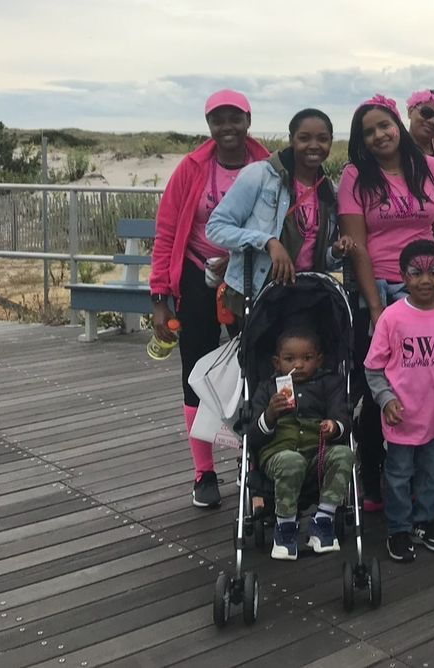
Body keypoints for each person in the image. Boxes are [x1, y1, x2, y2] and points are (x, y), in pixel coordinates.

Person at [149, 88, 269, 509]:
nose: (227, 127)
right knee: (195, 369)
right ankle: (203, 472)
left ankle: (254, 460)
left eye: (235, 118)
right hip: (197, 277)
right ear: (209, 126)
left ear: (248, 121)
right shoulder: (192, 168)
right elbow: (166, 233)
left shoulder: (267, 166)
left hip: (248, 279)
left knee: (256, 366)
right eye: (218, 120)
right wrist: (160, 297)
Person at [339, 95, 434, 510]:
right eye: (368, 132)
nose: (379, 135)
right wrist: (375, 308)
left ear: (398, 125)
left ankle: (419, 473)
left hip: (424, 289)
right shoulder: (356, 175)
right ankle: (373, 476)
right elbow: (359, 247)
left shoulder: (430, 169)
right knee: (377, 388)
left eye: (384, 126)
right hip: (381, 289)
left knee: (423, 380)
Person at [363, 240, 434, 563]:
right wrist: (385, 400)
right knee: (398, 474)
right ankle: (398, 528)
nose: (425, 280)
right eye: (416, 273)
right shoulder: (391, 318)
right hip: (402, 418)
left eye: (433, 272)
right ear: (403, 275)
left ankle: (424, 522)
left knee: (429, 471)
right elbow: (373, 368)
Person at [206, 108, 353, 313]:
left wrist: (335, 251)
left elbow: (318, 260)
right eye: (304, 138)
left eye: (322, 139)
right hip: (257, 294)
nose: (313, 146)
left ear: (330, 142)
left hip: (304, 296)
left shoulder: (328, 191)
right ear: (292, 139)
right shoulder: (261, 175)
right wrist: (267, 242)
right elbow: (216, 227)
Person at [246, 324, 355, 560]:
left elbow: (343, 418)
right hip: (278, 454)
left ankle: (323, 520)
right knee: (291, 461)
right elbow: (253, 435)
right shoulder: (267, 388)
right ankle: (285, 526)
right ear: (277, 363)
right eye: (289, 359)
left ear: (320, 359)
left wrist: (334, 426)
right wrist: (270, 415)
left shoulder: (330, 384)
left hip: (317, 452)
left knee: (345, 454)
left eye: (307, 358)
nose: (298, 365)